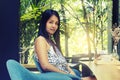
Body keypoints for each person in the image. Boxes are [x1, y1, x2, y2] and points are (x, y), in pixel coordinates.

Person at [34, 9, 97, 80]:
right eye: (51, 22)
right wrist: (66, 74)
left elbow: (64, 64)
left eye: (56, 23)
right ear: (44, 23)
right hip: (58, 77)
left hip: (66, 76)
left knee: (95, 77)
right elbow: (45, 65)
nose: (54, 26)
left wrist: (71, 72)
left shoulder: (52, 42)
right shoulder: (40, 40)